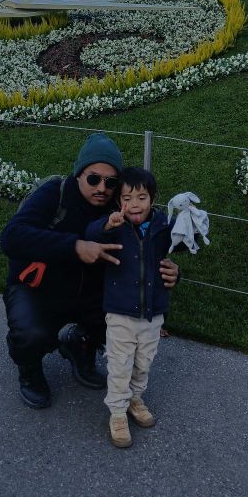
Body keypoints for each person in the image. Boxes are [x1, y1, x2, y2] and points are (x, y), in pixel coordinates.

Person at [0, 133, 179, 409]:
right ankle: (30, 372)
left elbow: (145, 247)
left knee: (128, 323)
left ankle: (79, 345)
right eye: (93, 178)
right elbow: (11, 237)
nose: (102, 188)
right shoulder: (54, 193)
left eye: (111, 182)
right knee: (32, 334)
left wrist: (171, 272)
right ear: (78, 174)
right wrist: (75, 247)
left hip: (93, 292)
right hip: (39, 289)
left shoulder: (119, 206)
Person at [84, 166, 174, 448]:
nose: (134, 204)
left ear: (153, 198)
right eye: (127, 198)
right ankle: (118, 412)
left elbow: (180, 248)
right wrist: (107, 225)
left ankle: (136, 397)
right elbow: (91, 233)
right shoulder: (116, 227)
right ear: (117, 202)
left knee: (144, 361)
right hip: (121, 311)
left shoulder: (161, 227)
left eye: (142, 197)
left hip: (152, 311)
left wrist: (193, 226)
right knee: (120, 363)